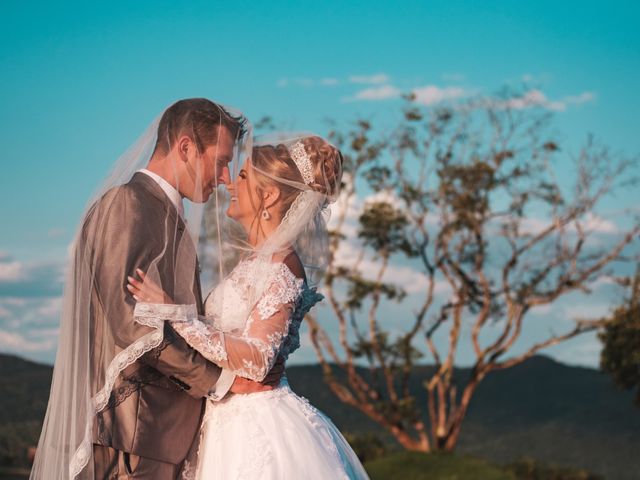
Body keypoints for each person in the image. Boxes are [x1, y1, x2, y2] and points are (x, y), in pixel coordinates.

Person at [30, 99, 284, 480]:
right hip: (128, 433)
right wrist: (221, 381)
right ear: (185, 147)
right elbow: (131, 324)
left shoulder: (167, 215)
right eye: (219, 161)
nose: (226, 177)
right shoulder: (127, 205)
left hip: (156, 436)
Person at [127, 134, 370, 479]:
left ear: (268, 195)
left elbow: (257, 360)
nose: (229, 183)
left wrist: (176, 315)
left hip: (258, 424)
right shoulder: (257, 262)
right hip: (223, 419)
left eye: (242, 176)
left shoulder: (283, 265)